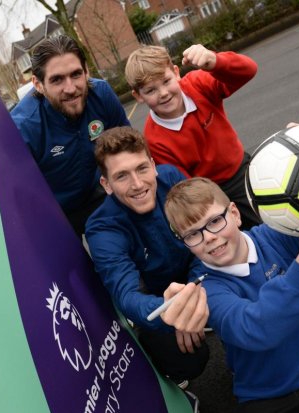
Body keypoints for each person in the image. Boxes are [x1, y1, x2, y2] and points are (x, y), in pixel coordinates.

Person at [164, 176, 299, 412]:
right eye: (192, 235)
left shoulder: (275, 234)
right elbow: (257, 328)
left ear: (235, 214)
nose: (208, 237)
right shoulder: (208, 292)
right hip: (267, 392)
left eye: (215, 220)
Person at [85, 126, 210, 389]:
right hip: (158, 295)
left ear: (154, 166)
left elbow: (207, 233)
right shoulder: (102, 229)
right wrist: (172, 313)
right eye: (122, 176)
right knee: (188, 360)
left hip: (196, 270)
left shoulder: (172, 179)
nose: (138, 184)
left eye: (142, 168)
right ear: (106, 185)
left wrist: (195, 289)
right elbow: (127, 296)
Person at [124, 44, 261, 230]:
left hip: (242, 172)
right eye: (150, 90)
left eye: (166, 81)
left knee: (279, 224)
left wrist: (214, 61)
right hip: (209, 195)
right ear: (138, 96)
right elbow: (187, 185)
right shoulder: (154, 140)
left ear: (176, 72)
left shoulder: (197, 84)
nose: (163, 93)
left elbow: (248, 70)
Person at [11, 35, 130, 236]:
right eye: (57, 79)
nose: (70, 88)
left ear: (86, 71)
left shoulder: (101, 94)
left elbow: (130, 149)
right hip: (56, 216)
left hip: (102, 193)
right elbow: (21, 200)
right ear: (38, 85)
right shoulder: (23, 128)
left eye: (76, 74)